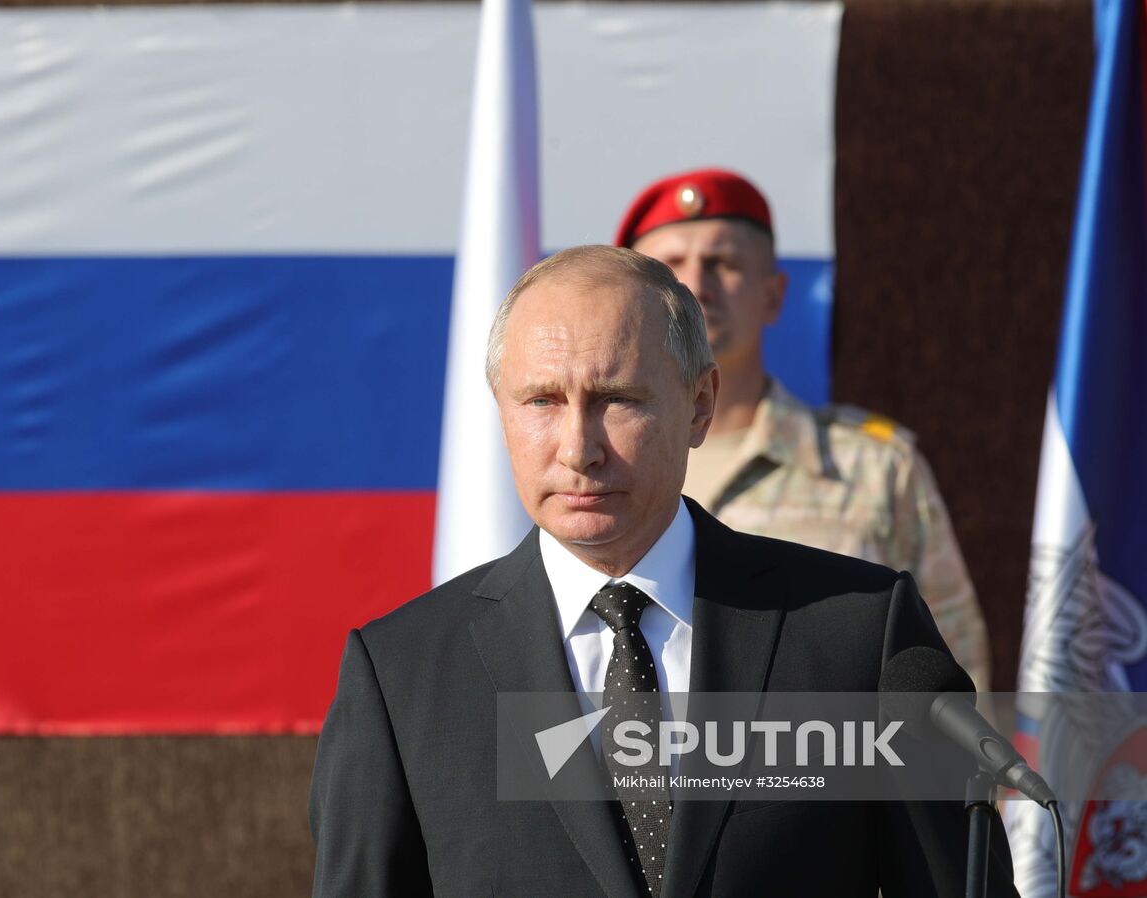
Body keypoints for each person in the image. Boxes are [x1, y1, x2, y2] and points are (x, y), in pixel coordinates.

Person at [309, 246, 1017, 897]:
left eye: (618, 399)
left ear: (699, 405)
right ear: (500, 414)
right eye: (542, 402)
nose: (579, 449)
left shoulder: (858, 633)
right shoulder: (402, 674)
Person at [615, 169, 991, 692]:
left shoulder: (874, 469)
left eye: (723, 263)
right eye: (670, 266)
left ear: (773, 295)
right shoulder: (588, 467)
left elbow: (952, 670)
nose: (695, 283)